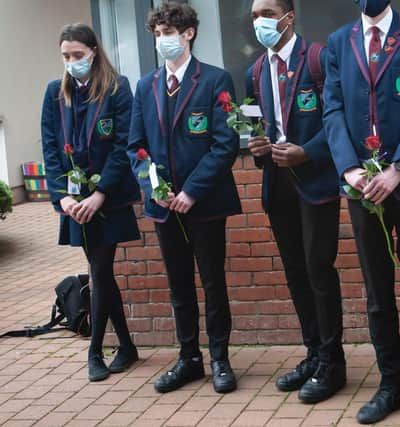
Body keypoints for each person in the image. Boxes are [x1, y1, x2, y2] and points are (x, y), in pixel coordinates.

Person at [323, 0, 400, 424]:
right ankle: (390, 385)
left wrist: (398, 167)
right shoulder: (338, 43)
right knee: (378, 293)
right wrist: (350, 169)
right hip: (361, 189)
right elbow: (333, 109)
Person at [127, 2, 241, 394]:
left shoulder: (214, 80)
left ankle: (220, 359)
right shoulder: (145, 86)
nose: (163, 41)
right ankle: (189, 357)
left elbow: (224, 144)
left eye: (169, 32)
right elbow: (135, 148)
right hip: (164, 206)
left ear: (189, 32)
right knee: (179, 285)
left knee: (213, 283)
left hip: (205, 203)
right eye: (158, 34)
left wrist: (191, 191)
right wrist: (155, 189)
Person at [246, 0, 345, 403]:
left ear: (288, 16)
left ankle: (333, 363)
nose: (260, 21)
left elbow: (339, 120)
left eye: (267, 12)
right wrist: (256, 147)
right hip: (278, 183)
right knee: (295, 272)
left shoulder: (318, 58)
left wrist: (308, 151)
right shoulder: (255, 70)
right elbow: (255, 123)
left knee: (318, 268)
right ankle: (314, 352)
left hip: (315, 180)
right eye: (254, 15)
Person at [41, 23, 140, 382]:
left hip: (106, 201)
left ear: (94, 52)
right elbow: (50, 150)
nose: (71, 62)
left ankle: (95, 351)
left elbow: (122, 146)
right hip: (74, 203)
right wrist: (63, 196)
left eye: (78, 55)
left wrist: (99, 194)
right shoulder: (55, 93)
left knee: (100, 271)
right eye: (66, 56)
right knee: (103, 273)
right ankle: (127, 346)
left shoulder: (117, 89)